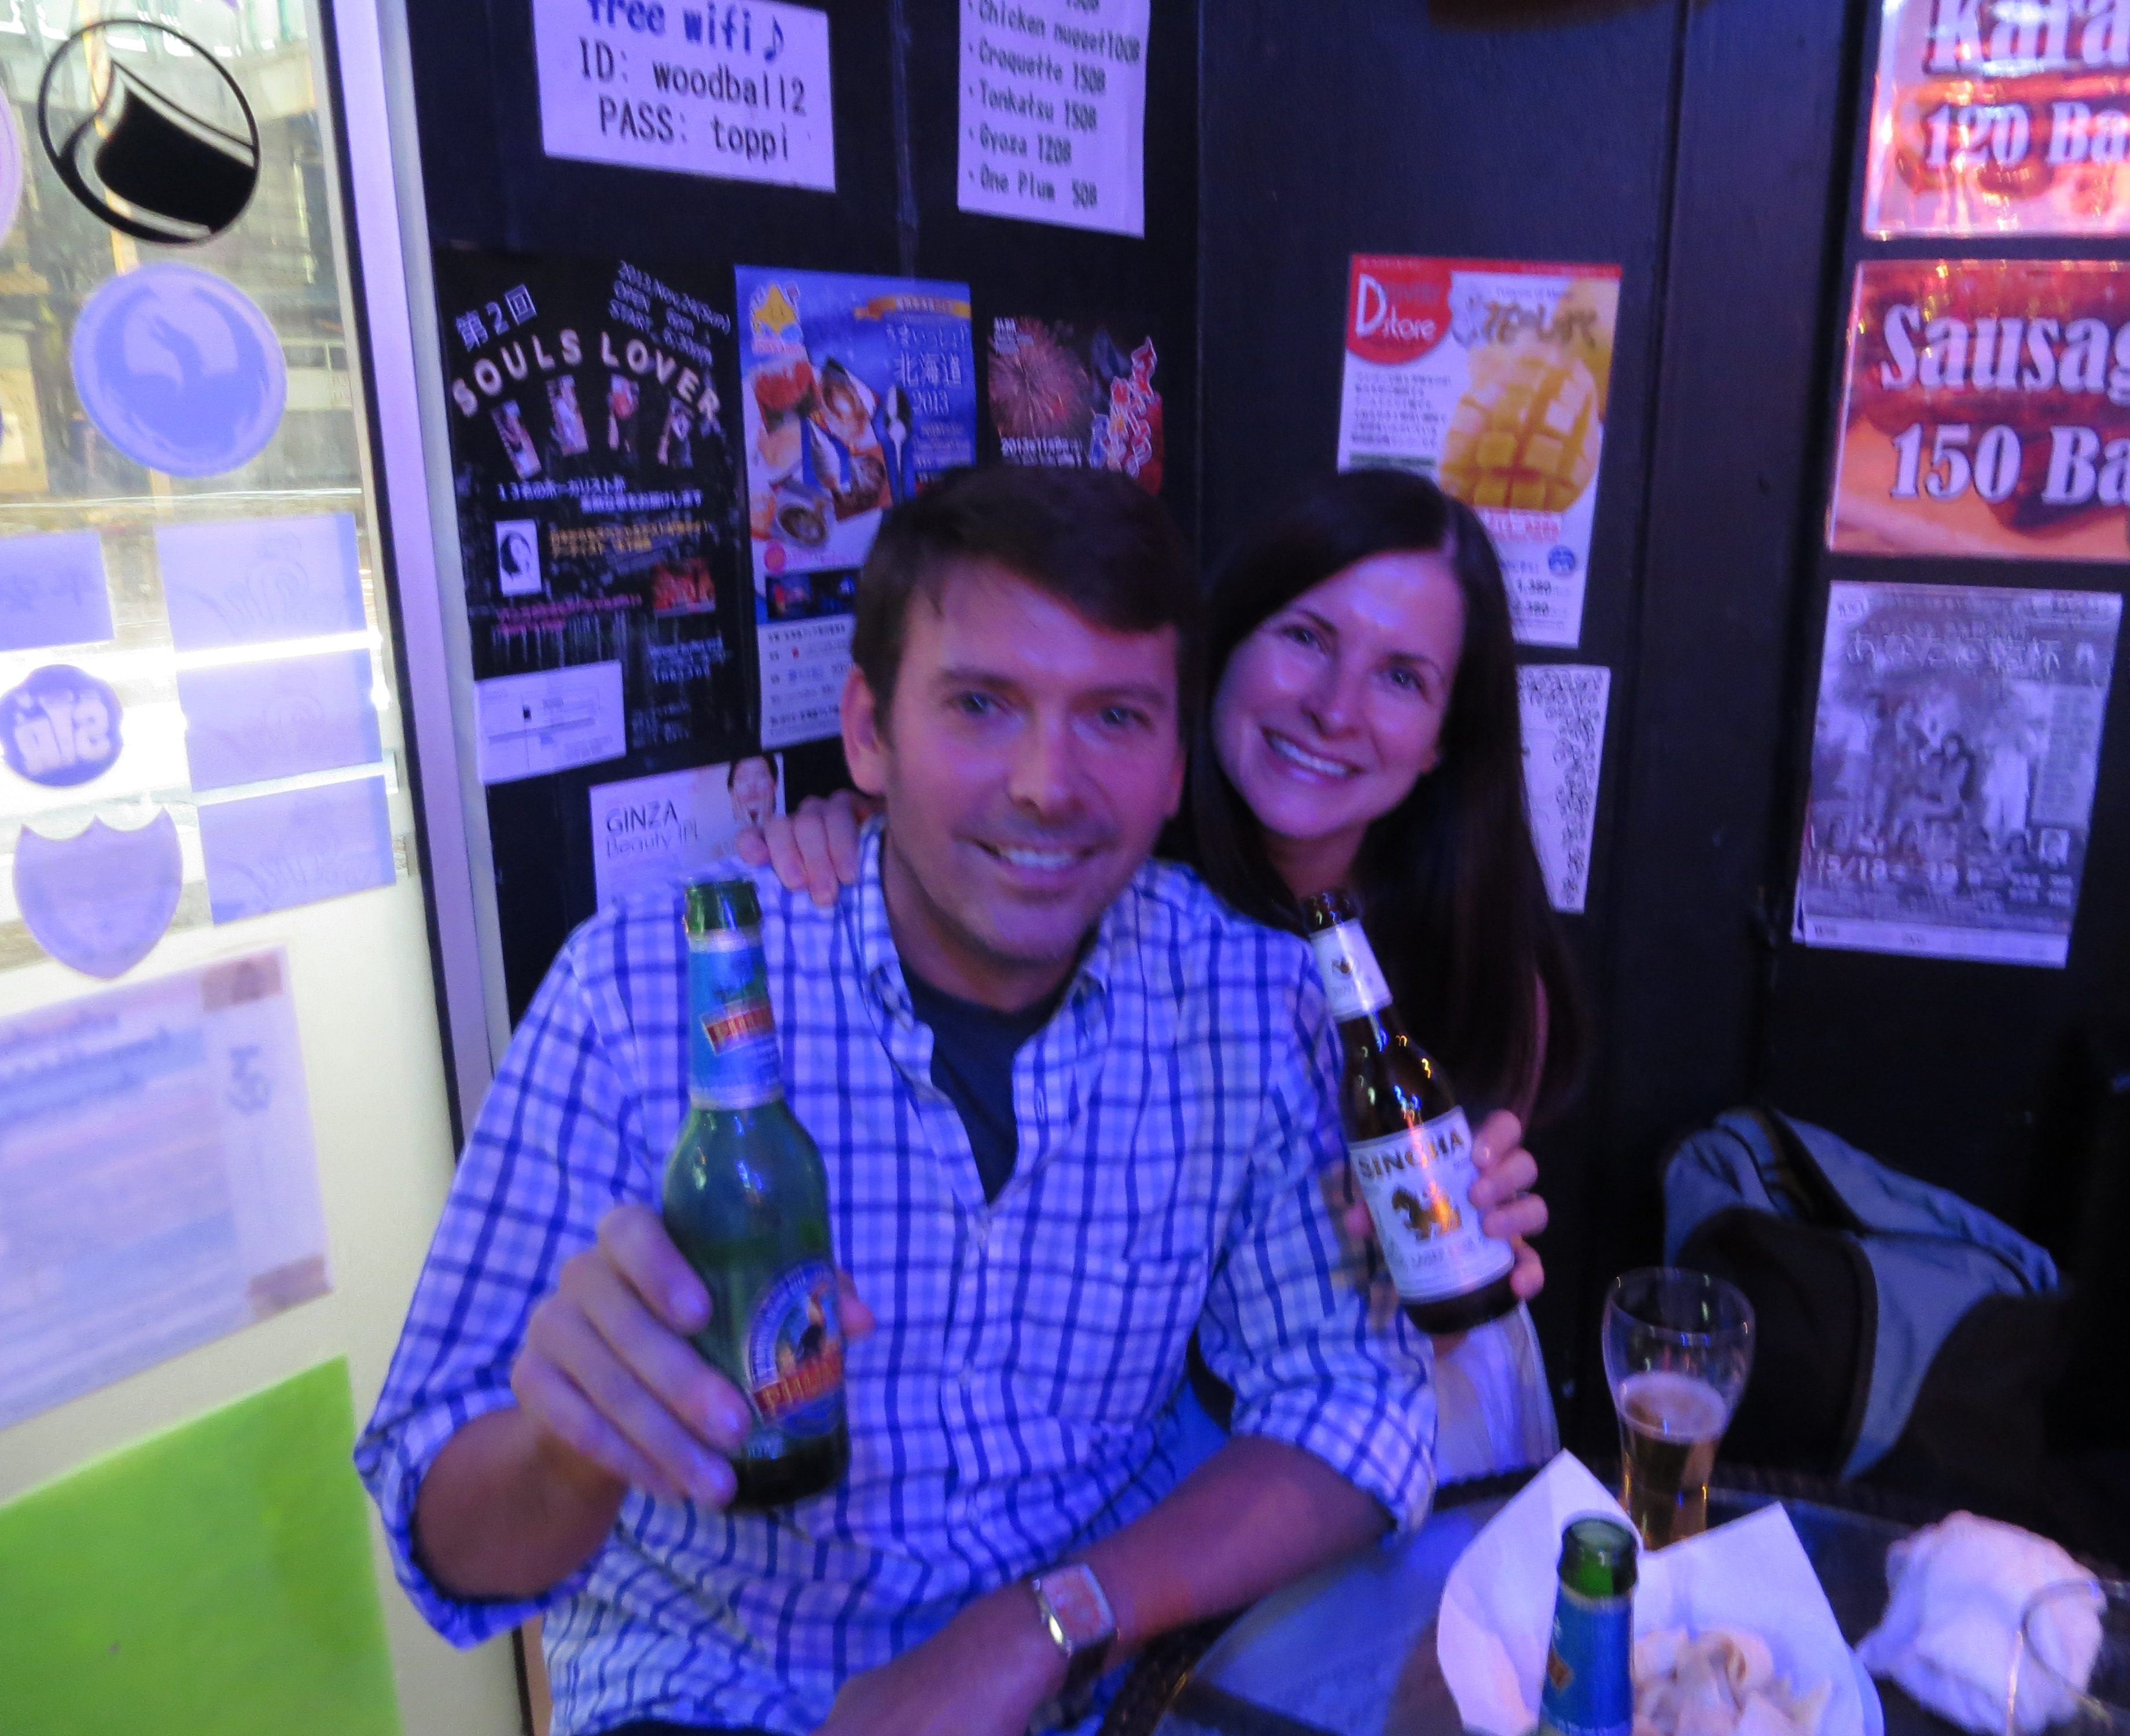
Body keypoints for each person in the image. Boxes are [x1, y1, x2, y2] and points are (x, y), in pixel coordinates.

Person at [356, 466, 1545, 1736]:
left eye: (1114, 717)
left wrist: (1042, 1625)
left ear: (1170, 761)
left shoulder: (1255, 997)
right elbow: (447, 1540)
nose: (1046, 782)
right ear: (869, 733)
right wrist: (573, 1445)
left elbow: (1351, 1405)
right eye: (980, 704)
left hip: (1104, 1682)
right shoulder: (640, 993)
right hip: (719, 1688)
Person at [764, 468, 1587, 1479]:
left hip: (1406, 1409)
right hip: (1134, 1446)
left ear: (1439, 743)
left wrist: (1450, 1275)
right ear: (1215, 653)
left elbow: (1373, 1368)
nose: (1335, 709)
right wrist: (864, 827)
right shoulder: (1091, 880)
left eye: (1402, 678)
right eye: (1306, 639)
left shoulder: (1479, 974)